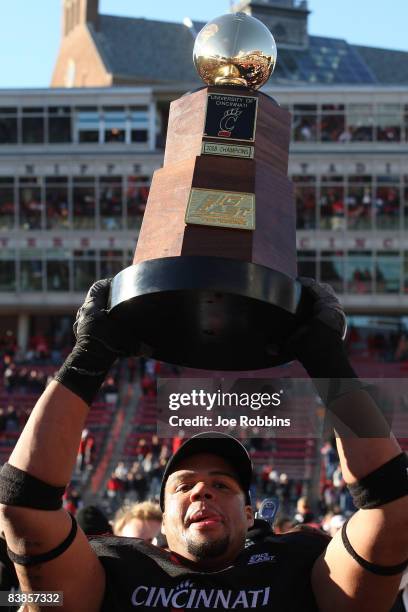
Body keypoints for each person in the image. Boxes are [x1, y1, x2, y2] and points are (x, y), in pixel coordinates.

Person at [0, 277, 407, 611]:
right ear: (162, 520)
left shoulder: (301, 565)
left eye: (222, 485)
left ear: (249, 515)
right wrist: (89, 357)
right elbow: (24, 504)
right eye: (183, 485)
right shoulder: (112, 569)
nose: (202, 490)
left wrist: (327, 361)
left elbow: (393, 507)